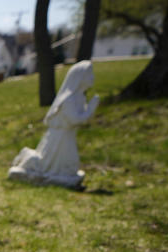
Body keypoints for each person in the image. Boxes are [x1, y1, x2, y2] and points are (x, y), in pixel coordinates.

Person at [8, 60, 100, 188]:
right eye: (90, 74)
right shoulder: (68, 99)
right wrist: (91, 109)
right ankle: (28, 159)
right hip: (59, 138)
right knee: (49, 164)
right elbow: (75, 120)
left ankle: (53, 173)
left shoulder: (80, 97)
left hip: (67, 137)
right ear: (80, 77)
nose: (93, 77)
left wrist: (88, 108)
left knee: (68, 166)